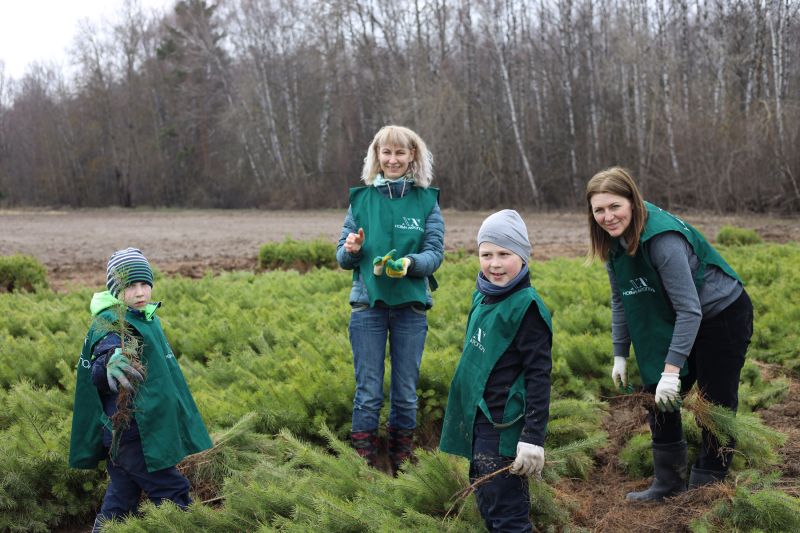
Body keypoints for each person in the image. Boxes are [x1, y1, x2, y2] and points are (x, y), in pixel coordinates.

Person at [586, 167, 754, 501]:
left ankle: (708, 483)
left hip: (720, 314)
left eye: (614, 206)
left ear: (632, 201)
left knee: (714, 400)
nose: (607, 216)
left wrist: (672, 370)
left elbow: (690, 309)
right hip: (677, 314)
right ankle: (669, 481)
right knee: (655, 394)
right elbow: (621, 300)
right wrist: (620, 354)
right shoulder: (612, 242)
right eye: (599, 210)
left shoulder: (663, 240)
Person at [69, 247, 212, 530]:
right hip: (135, 433)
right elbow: (109, 352)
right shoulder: (114, 322)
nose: (139, 292)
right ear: (115, 289)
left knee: (122, 498)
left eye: (144, 283)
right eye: (130, 286)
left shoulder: (142, 316)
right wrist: (110, 363)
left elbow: (134, 353)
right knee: (172, 491)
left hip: (131, 436)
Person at [336, 125, 445, 475]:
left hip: (411, 308)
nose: (393, 159)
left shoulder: (427, 201)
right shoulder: (360, 200)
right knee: (368, 391)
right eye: (387, 152)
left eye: (400, 153)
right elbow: (343, 256)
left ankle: (402, 464)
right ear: (377, 156)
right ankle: (364, 467)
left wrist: (411, 264)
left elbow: (435, 254)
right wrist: (351, 249)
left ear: (412, 156)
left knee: (406, 393)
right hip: (368, 307)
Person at [439, 210, 552, 532]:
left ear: (523, 256)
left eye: (505, 254)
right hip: (479, 419)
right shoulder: (483, 295)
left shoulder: (527, 307)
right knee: (488, 502)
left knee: (508, 514)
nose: (495, 263)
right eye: (486, 254)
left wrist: (533, 437)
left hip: (502, 425)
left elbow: (539, 376)